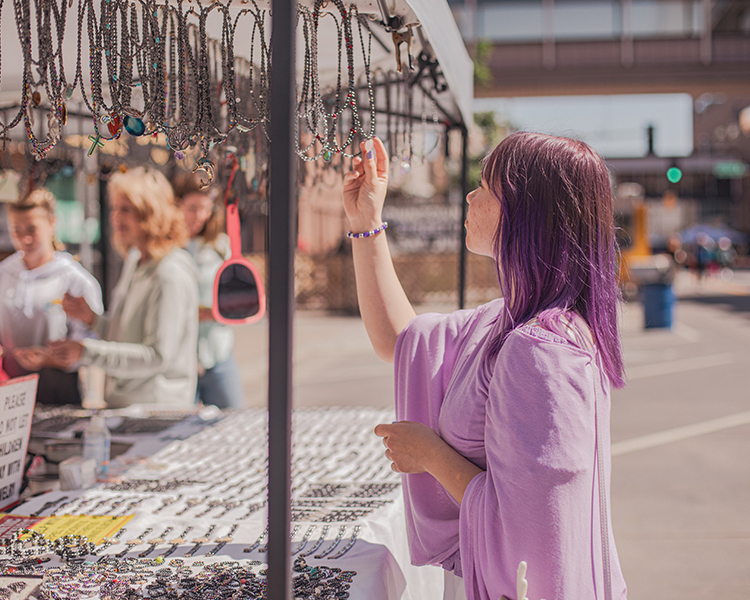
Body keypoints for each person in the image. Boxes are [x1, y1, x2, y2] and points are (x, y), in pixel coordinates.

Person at [343, 133, 628, 600]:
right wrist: (366, 222)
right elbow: (403, 340)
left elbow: (533, 528)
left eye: (485, 185)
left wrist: (429, 454)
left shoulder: (539, 349)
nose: (471, 195)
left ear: (525, 212)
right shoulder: (508, 320)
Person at [49, 167, 199, 409]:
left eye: (126, 209)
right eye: (115, 208)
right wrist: (93, 320)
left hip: (157, 415)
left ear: (150, 212)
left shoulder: (169, 273)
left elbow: (156, 356)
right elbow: (127, 338)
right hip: (128, 410)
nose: (116, 217)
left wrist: (85, 352)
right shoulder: (136, 260)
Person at [0, 189, 103, 404]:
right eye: (16, 230)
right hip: (8, 392)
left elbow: (93, 344)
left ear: (51, 223)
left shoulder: (74, 279)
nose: (24, 239)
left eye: (32, 229)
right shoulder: (4, 274)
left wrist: (49, 358)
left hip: (60, 392)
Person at [173, 172, 244, 409]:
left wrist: (220, 310)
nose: (200, 216)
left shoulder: (221, 246)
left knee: (232, 422)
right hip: (178, 358)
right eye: (193, 207)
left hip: (217, 353)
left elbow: (238, 294)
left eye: (205, 208)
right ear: (177, 206)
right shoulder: (166, 248)